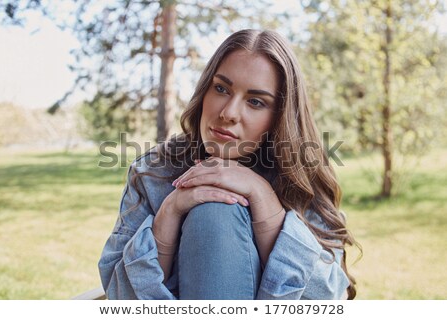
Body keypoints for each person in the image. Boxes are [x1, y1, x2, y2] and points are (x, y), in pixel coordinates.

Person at [98, 29, 358, 300]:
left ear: (280, 117)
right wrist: (170, 212)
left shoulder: (301, 177)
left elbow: (326, 299)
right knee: (212, 213)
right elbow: (120, 297)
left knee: (216, 213)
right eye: (221, 88)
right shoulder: (154, 171)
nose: (228, 113)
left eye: (256, 102)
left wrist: (262, 197)